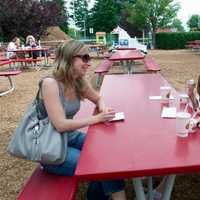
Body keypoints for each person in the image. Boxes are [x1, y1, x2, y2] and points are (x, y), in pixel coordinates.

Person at [38, 40, 127, 200]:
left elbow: (98, 98)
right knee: (102, 165)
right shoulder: (50, 83)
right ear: (70, 58)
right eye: (85, 58)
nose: (89, 63)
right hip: (51, 148)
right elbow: (60, 125)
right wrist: (96, 118)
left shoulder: (78, 80)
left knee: (109, 154)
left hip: (71, 137)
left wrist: (103, 107)